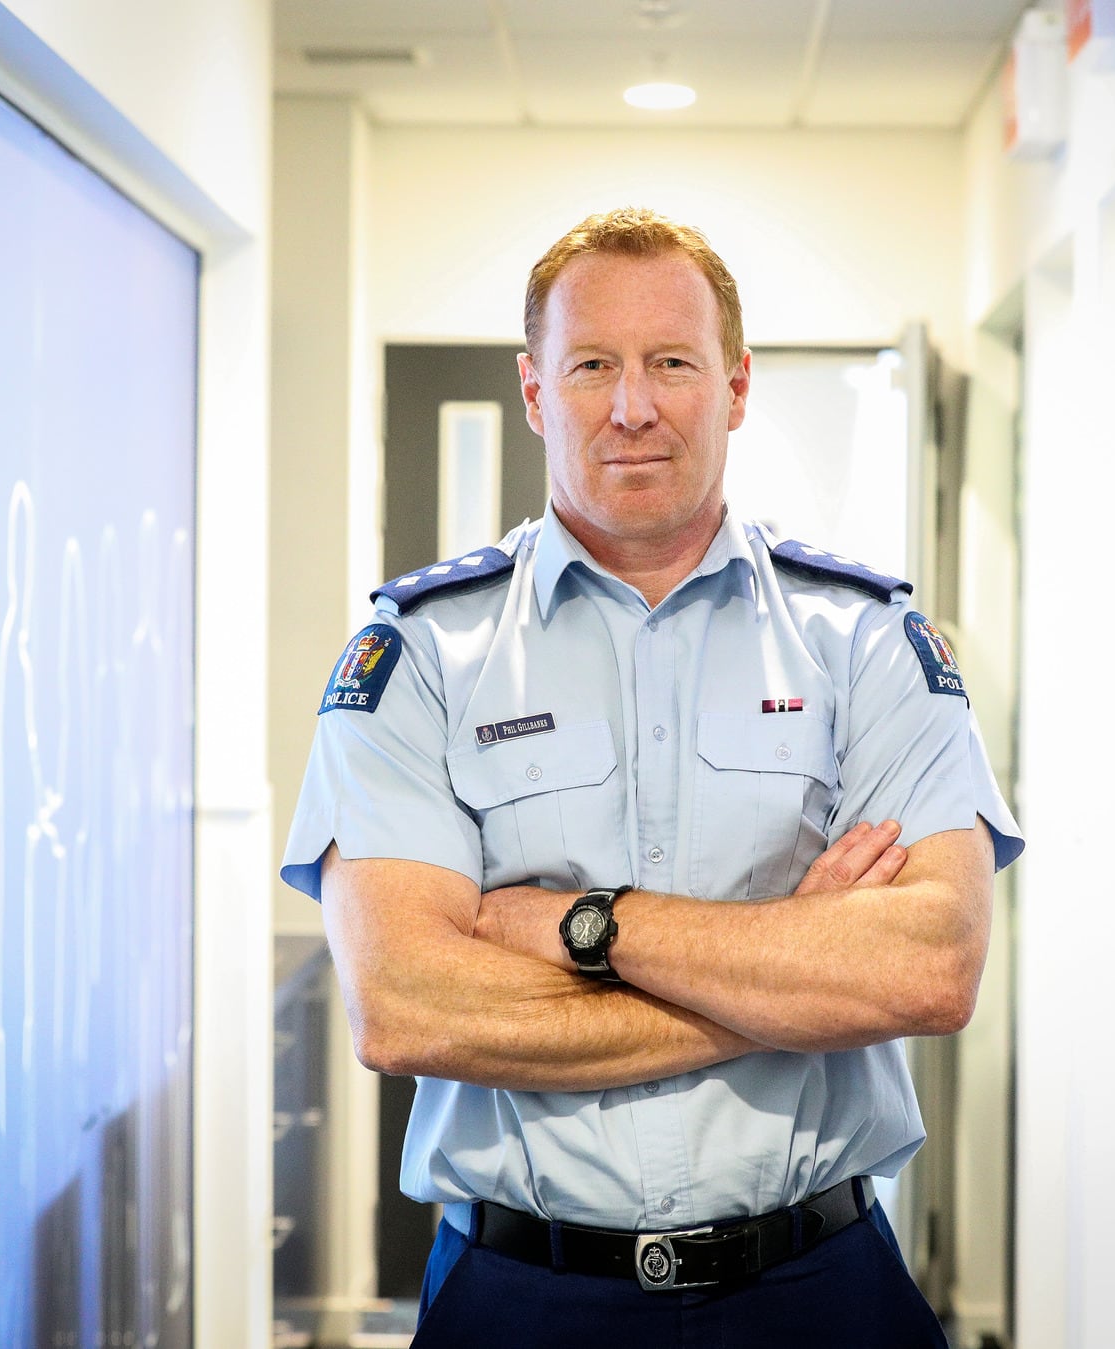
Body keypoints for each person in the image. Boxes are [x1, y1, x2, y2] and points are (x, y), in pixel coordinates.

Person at [281, 207, 1024, 1347]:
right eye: (593, 366)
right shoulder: (423, 654)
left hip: (818, 1291)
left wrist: (586, 924)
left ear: (733, 387)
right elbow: (406, 1003)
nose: (634, 405)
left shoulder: (861, 639)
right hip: (520, 1296)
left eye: (673, 363)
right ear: (536, 392)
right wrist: (783, 971)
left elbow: (929, 967)